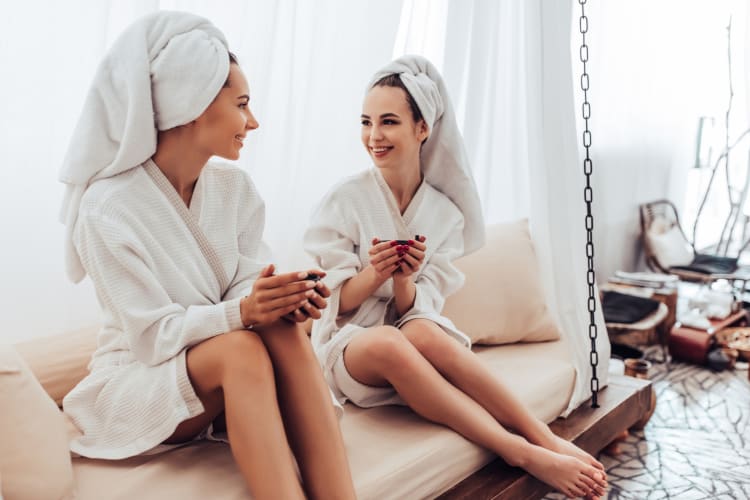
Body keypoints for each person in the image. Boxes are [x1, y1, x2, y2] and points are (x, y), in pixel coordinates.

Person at [59, 11, 355, 500]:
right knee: (239, 347)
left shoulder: (234, 187)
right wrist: (242, 312)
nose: (253, 122)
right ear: (192, 102)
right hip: (138, 379)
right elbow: (153, 339)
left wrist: (278, 300)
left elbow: (243, 284)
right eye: (242, 104)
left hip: (216, 375)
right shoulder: (107, 207)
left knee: (275, 327)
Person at [304, 54, 608, 500]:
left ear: (422, 128)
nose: (374, 136)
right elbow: (334, 303)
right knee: (391, 341)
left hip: (412, 340)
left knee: (423, 332)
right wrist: (375, 274)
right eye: (366, 121)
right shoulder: (344, 199)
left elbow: (418, 311)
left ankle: (541, 435)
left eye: (389, 122)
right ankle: (518, 451)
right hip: (351, 349)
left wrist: (405, 279)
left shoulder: (444, 214)